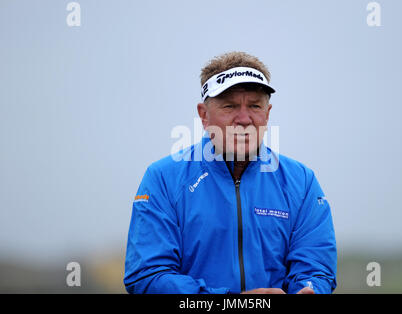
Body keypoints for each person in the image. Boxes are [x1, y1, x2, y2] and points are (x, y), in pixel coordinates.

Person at [123, 52, 337, 294]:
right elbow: (147, 277)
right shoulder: (163, 178)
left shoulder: (302, 182)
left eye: (255, 106)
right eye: (230, 106)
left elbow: (316, 270)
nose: (244, 119)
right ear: (204, 115)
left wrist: (309, 290)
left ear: (267, 114)